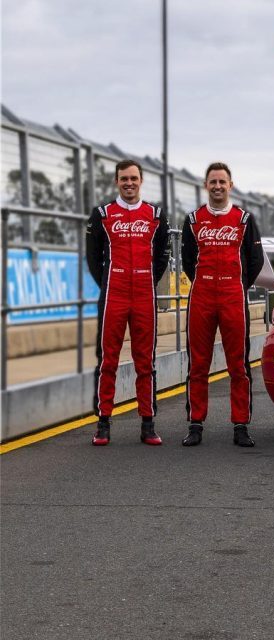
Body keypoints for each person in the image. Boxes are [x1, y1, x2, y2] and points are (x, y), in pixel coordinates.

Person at [85, 159, 170, 446]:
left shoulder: (156, 214)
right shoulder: (103, 214)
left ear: (141, 180)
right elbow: (93, 257)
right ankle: (103, 422)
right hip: (114, 294)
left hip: (145, 294)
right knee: (108, 359)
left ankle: (147, 423)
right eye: (124, 179)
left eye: (134, 178)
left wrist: (146, 278)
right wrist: (109, 282)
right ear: (116, 182)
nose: (129, 183)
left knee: (145, 361)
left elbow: (161, 257)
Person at [180, 163, 264, 447]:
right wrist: (203, 281)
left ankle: (241, 424)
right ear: (206, 185)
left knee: (238, 363)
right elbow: (187, 259)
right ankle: (195, 424)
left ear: (231, 185)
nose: (217, 186)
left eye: (222, 182)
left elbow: (255, 261)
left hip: (232, 294)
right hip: (202, 294)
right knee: (198, 363)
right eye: (213, 182)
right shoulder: (193, 219)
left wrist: (238, 284)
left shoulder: (244, 219)